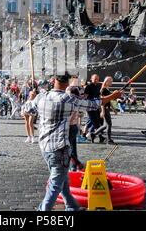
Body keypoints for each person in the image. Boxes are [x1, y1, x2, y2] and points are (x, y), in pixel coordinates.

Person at [31, 73, 123, 211]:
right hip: (59, 147)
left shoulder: (41, 97)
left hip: (45, 146)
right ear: (67, 84)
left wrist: (31, 97)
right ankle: (44, 210)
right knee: (56, 182)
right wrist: (112, 97)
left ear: (54, 81)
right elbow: (93, 104)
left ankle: (72, 206)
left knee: (62, 178)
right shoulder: (68, 99)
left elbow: (25, 109)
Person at [91, 76, 117, 144]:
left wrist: (113, 109)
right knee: (109, 124)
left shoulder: (107, 89)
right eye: (110, 81)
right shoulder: (103, 89)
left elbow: (109, 100)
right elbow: (102, 101)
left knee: (106, 125)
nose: (111, 82)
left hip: (107, 108)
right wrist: (102, 111)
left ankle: (94, 134)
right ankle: (109, 139)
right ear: (106, 81)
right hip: (104, 108)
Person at [82, 74, 104, 143]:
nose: (96, 80)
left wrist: (100, 108)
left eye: (97, 79)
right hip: (90, 108)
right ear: (91, 79)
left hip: (96, 107)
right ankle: (100, 137)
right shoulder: (88, 86)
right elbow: (85, 97)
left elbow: (98, 96)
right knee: (96, 122)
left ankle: (83, 135)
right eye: (95, 79)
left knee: (89, 122)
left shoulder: (98, 86)